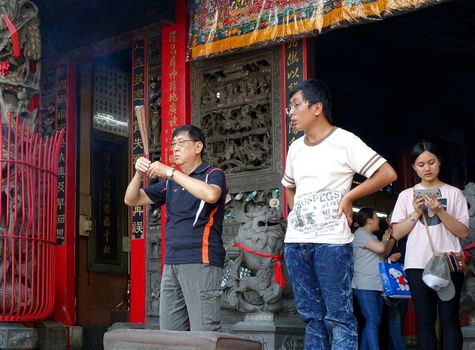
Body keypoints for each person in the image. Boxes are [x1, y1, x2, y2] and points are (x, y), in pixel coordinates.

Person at [281, 79, 397, 349]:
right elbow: (288, 186)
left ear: (317, 107)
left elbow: (387, 173)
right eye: (289, 108)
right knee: (311, 317)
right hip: (297, 244)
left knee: (339, 317)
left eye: (296, 106)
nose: (291, 113)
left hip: (332, 244)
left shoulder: (345, 141)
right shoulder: (295, 148)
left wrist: (350, 196)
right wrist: (297, 215)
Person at [124, 125, 227, 331]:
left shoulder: (212, 173)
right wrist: (138, 173)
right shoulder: (169, 184)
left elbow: (211, 195)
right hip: (172, 262)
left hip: (201, 259)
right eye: (173, 144)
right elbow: (131, 199)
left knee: (203, 333)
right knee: (170, 333)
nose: (175, 148)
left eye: (181, 143)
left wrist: (170, 172)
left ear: (198, 146)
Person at [391, 140, 469, 349]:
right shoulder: (406, 196)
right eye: (421, 164)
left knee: (449, 319)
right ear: (414, 167)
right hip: (417, 264)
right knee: (424, 321)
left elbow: (463, 232)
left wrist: (441, 211)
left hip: (448, 262)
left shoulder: (454, 193)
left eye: (431, 162)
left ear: (439, 163)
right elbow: (397, 232)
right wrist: (415, 213)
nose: (427, 168)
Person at [352, 208, 392, 350]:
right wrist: (386, 239)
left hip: (377, 285)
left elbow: (384, 253)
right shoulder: (360, 234)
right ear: (369, 220)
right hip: (364, 285)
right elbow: (381, 248)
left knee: (373, 321)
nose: (378, 220)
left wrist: (391, 237)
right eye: (376, 217)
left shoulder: (373, 237)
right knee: (373, 320)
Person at [383, 212, 408, 350]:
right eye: (392, 217)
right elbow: (382, 253)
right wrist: (392, 237)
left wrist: (402, 254)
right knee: (393, 316)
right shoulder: (384, 234)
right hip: (386, 279)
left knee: (400, 315)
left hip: (404, 279)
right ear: (387, 220)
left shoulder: (408, 233)